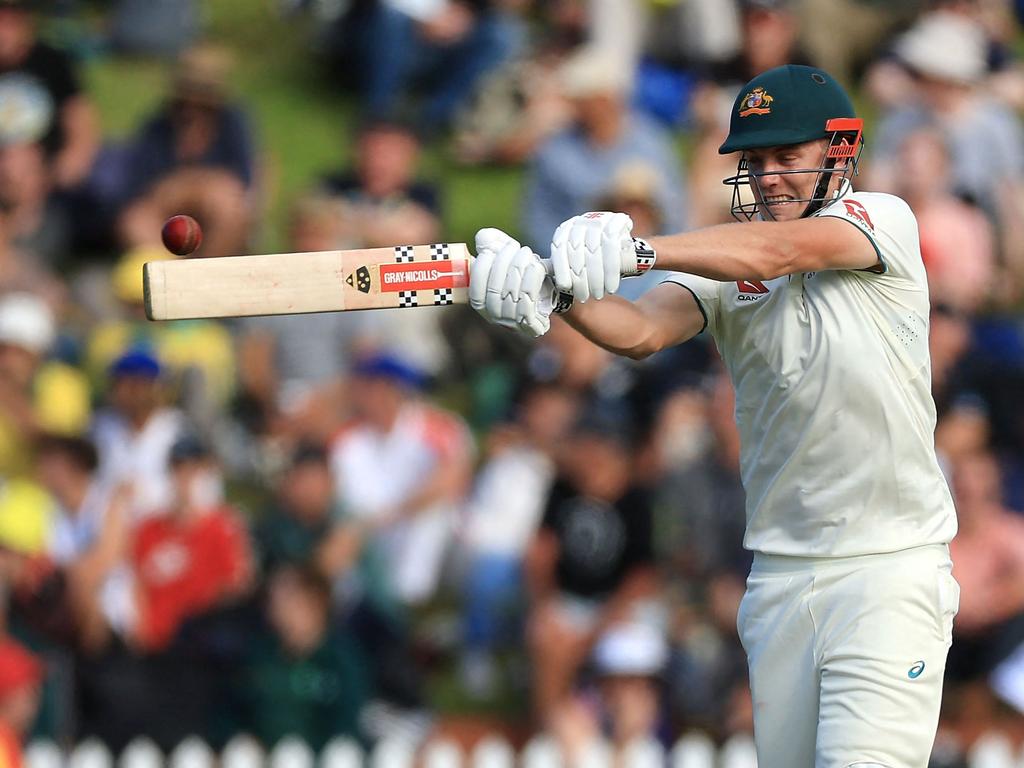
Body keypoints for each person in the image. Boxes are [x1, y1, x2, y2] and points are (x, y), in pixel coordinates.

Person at [468, 64, 959, 766]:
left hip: (887, 573)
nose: (768, 177)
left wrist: (640, 247)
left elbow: (784, 250)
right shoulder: (725, 273)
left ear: (839, 152)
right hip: (781, 582)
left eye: (788, 157)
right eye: (755, 161)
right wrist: (549, 291)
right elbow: (638, 331)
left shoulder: (881, 221)